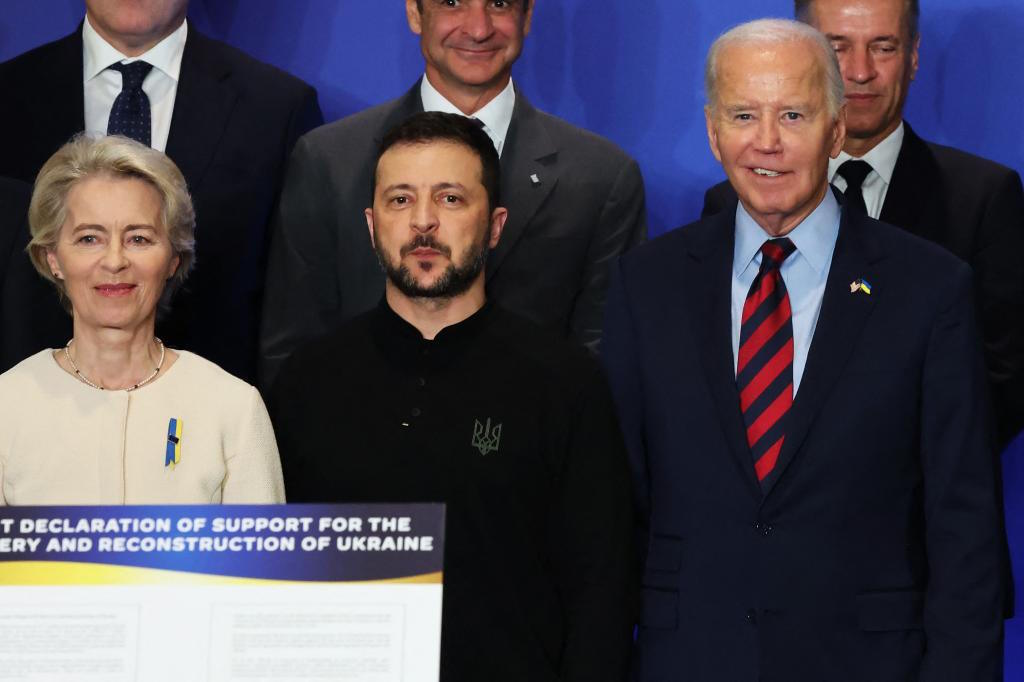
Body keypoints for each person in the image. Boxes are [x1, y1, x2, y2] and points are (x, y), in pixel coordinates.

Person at [603, 19, 1006, 680]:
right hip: (691, 658)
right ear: (711, 131)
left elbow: (965, 533)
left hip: (867, 660)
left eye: (793, 113)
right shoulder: (645, 286)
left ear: (837, 127)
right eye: (743, 115)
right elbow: (611, 514)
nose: (768, 142)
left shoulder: (930, 290)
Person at [270, 112, 635, 681]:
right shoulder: (305, 385)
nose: (423, 223)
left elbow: (601, 591)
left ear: (495, 225)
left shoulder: (565, 384)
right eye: (399, 200)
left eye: (450, 199)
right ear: (370, 225)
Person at [260, 0, 647, 387]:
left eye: (499, 4)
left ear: (527, 17)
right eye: (452, 3)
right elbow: (292, 353)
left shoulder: (601, 179)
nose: (478, 29)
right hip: (360, 436)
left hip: (533, 440)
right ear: (415, 13)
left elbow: (603, 370)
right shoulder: (329, 161)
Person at [702, 0, 1024, 447]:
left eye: (883, 47)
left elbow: (1002, 379)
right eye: (837, 47)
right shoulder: (728, 203)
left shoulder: (983, 199)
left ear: (913, 57)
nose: (859, 72)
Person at [0, 0, 323, 383]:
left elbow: (294, 301)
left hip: (209, 417)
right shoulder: (9, 96)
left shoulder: (275, 108)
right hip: (34, 414)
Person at [0, 136, 284, 505]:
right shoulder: (9, 403)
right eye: (89, 239)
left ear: (173, 259)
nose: (115, 261)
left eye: (138, 238)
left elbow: (258, 561)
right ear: (53, 258)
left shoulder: (232, 408)